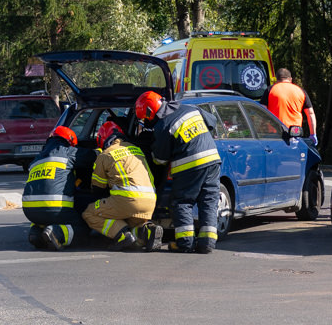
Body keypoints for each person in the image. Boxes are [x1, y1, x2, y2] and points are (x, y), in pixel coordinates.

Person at [136, 90, 222, 254]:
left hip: (189, 166)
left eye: (146, 118)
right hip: (212, 160)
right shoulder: (190, 108)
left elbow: (160, 159)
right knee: (209, 201)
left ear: (149, 112)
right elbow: (212, 122)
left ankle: (185, 243)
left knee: (182, 202)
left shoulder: (162, 125)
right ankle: (206, 244)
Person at [83, 121, 160, 251]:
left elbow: (97, 188)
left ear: (102, 139)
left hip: (126, 200)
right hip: (150, 202)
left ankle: (122, 235)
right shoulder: (137, 149)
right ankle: (148, 230)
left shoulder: (106, 154)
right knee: (131, 222)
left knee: (89, 213)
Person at [23, 126, 97, 251]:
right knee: (82, 227)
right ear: (69, 142)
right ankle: (56, 233)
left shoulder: (37, 158)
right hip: (55, 208)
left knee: (43, 219)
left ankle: (36, 232)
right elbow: (91, 157)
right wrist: (101, 150)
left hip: (29, 211)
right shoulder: (67, 151)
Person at [266, 68, 317, 145]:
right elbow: (310, 114)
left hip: (274, 134)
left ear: (277, 80)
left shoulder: (270, 90)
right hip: (295, 133)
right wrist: (313, 134)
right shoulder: (300, 91)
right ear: (290, 79)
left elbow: (262, 111)